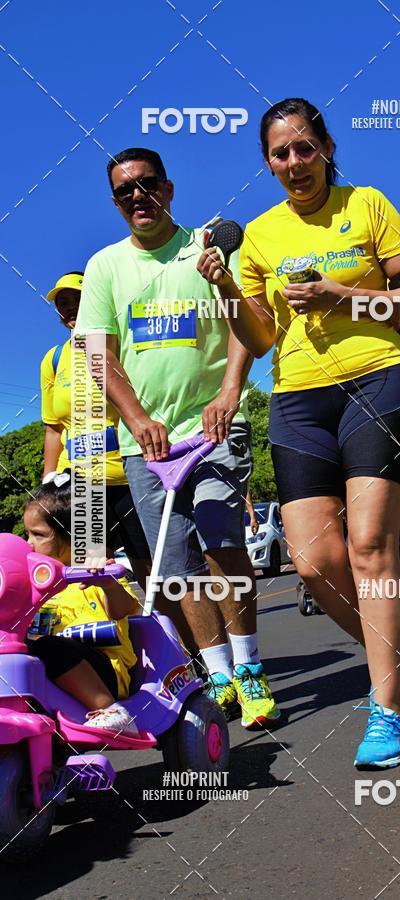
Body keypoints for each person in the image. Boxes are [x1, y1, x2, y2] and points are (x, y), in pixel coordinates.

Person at [198, 97, 400, 769]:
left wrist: (339, 295)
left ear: (326, 146)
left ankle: (388, 709)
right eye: (281, 153)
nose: (295, 163)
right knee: (310, 560)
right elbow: (260, 333)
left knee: (367, 545)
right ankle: (393, 657)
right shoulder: (262, 236)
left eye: (305, 147)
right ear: (267, 163)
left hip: (379, 378)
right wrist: (225, 294)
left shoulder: (369, 205)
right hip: (299, 397)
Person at [75, 147, 279, 729]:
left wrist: (228, 393)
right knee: (179, 565)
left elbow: (255, 334)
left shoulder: (207, 248)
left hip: (213, 428)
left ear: (168, 188)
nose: (137, 197)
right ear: (116, 203)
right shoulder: (105, 267)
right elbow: (95, 350)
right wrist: (136, 417)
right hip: (149, 445)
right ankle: (217, 677)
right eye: (124, 192)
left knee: (221, 539)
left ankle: (250, 668)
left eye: (147, 185)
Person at [41, 270, 151, 588]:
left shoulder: (120, 345)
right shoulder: (53, 359)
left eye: (75, 299)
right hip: (80, 485)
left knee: (150, 571)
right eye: (62, 303)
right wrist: (50, 481)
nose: (69, 308)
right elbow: (52, 429)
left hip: (129, 477)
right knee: (89, 571)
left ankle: (171, 636)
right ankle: (107, 636)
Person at [24, 476, 139, 734]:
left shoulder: (96, 572)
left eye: (38, 535)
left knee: (49, 648)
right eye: (27, 534)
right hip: (47, 674)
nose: (28, 543)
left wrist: (107, 584)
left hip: (102, 675)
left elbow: (120, 609)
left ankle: (113, 711)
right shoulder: (32, 582)